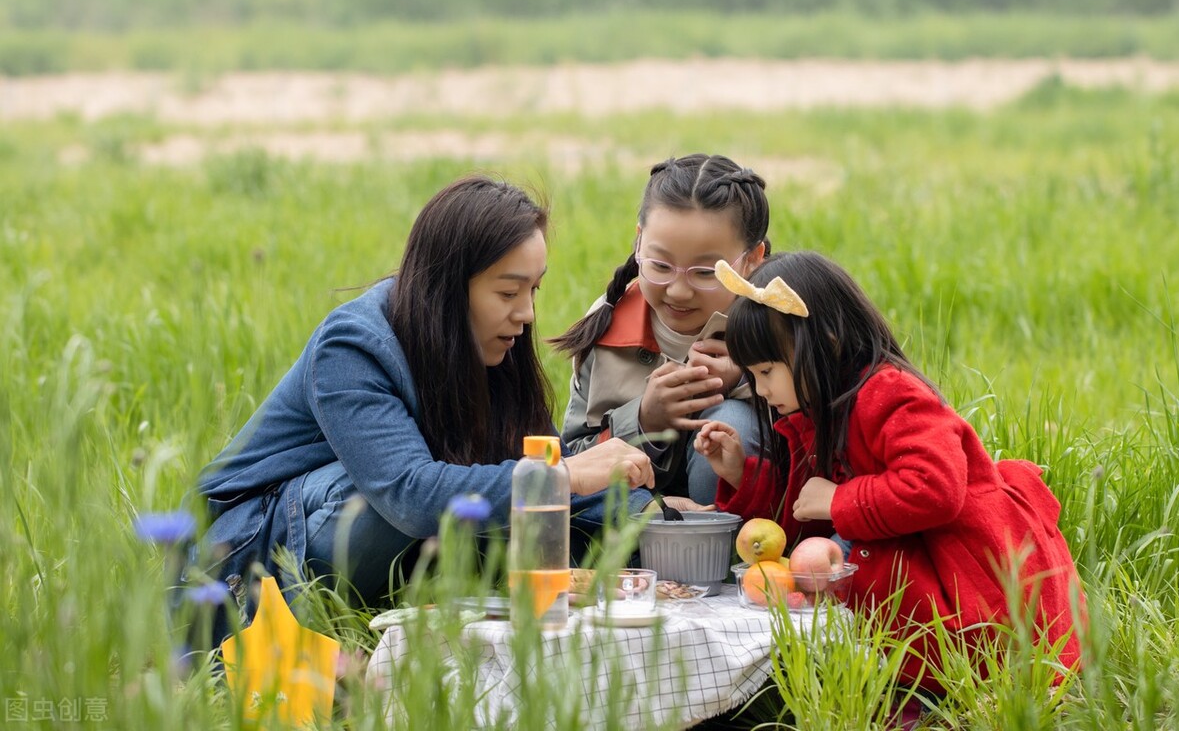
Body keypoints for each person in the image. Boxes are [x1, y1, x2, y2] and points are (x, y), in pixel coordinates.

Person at [190, 176, 659, 637]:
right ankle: (313, 624)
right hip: (254, 548)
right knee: (384, 499)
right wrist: (565, 474)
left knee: (535, 508)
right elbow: (410, 495)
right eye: (508, 292)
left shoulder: (493, 340)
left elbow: (530, 471)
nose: (527, 313)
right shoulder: (353, 346)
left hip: (389, 528)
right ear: (450, 288)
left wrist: (652, 511)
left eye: (533, 290)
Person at [695, 251, 1084, 694]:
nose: (761, 390)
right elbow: (806, 513)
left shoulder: (890, 393)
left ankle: (922, 689)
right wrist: (743, 475)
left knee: (964, 661)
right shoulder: (820, 411)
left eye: (766, 371)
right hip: (909, 575)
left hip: (966, 575)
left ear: (826, 342)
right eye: (752, 374)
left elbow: (936, 487)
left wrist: (840, 500)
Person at [551, 154, 770, 505]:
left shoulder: (778, 320)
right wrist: (644, 420)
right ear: (639, 241)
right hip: (637, 519)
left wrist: (748, 380)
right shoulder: (609, 320)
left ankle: (722, 554)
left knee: (731, 423)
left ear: (753, 258)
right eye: (660, 265)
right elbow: (573, 456)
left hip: (754, 520)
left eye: (705, 273)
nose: (679, 291)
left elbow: (823, 435)